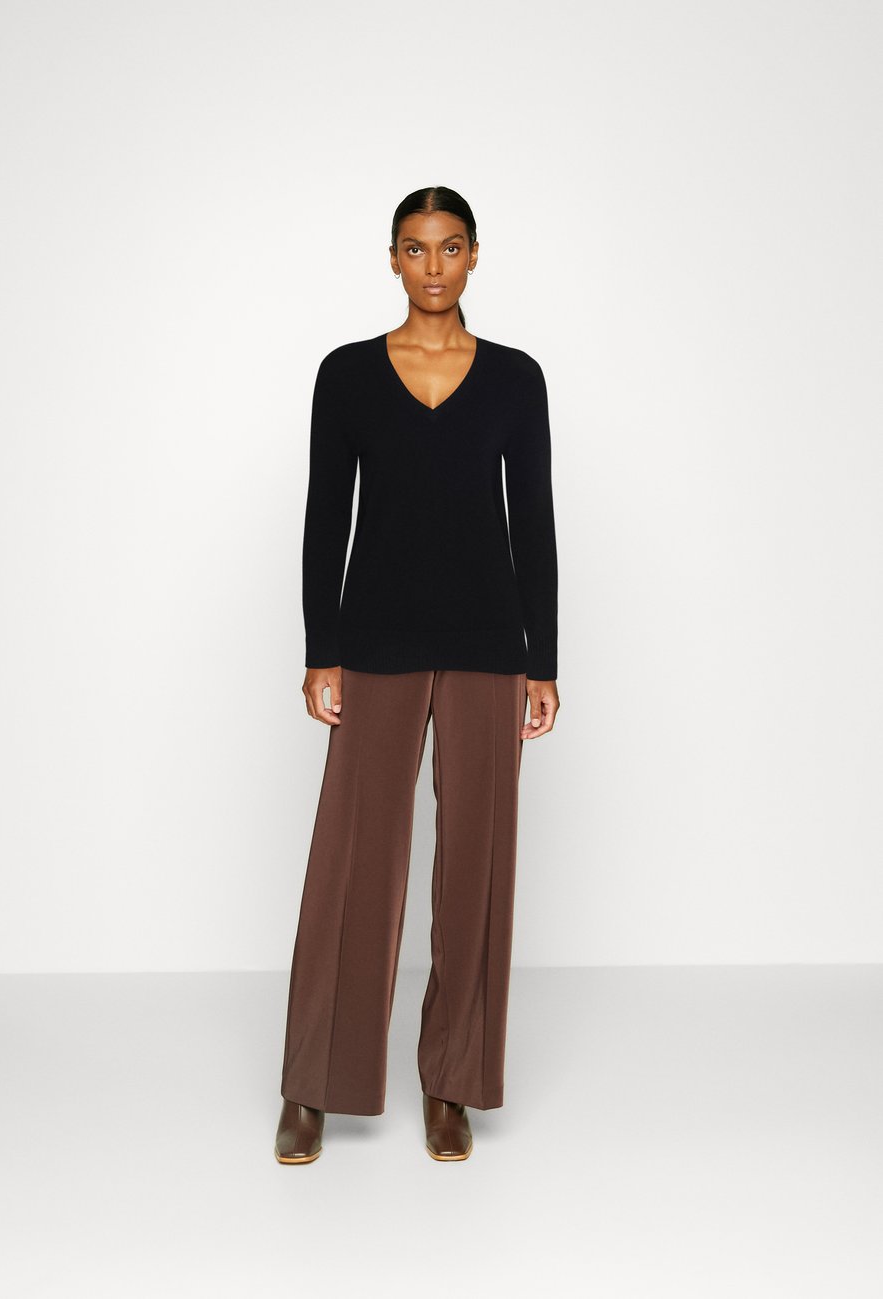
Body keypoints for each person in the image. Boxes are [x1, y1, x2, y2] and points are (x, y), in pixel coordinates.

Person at [274, 185, 560, 1164]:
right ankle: (314, 1083)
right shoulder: (347, 375)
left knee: (475, 866)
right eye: (414, 248)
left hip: (488, 645)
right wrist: (320, 648)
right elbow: (326, 513)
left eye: (449, 248)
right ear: (392, 258)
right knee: (353, 864)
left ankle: (454, 1082)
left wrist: (543, 660)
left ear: (474, 256)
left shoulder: (516, 378)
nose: (432, 267)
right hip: (377, 643)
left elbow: (535, 521)